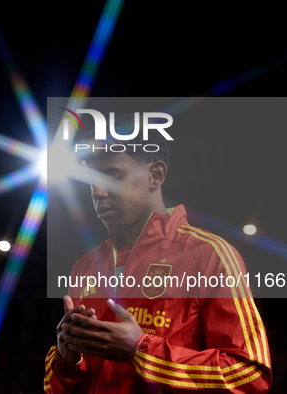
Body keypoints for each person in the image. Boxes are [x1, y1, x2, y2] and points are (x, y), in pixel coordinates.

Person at [44, 114, 272, 393]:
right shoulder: (85, 266)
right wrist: (68, 360)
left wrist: (141, 350)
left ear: (156, 175)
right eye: (91, 182)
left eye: (112, 176)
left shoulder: (209, 255)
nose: (98, 192)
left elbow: (249, 375)